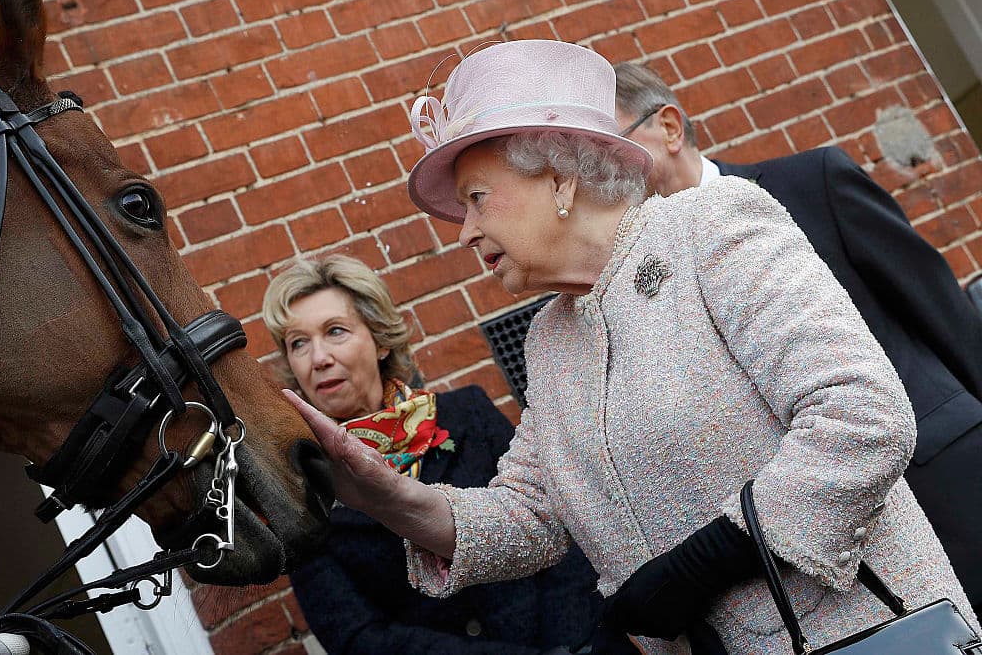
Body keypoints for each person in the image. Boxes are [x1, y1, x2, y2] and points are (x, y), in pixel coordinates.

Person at [284, 40, 978, 654]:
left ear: (559, 179)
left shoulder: (709, 227)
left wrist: (713, 557)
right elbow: (530, 518)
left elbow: (863, 416)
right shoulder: (551, 339)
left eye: (475, 197)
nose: (464, 231)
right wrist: (386, 497)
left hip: (863, 635)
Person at [613, 60, 982, 612]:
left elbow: (941, 311)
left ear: (668, 127)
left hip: (948, 481)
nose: (603, 175)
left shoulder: (812, 182)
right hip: (842, 570)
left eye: (612, 150)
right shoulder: (639, 288)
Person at [263, 254, 633, 654]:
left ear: (381, 340)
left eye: (335, 331)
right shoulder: (303, 492)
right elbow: (356, 638)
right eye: (298, 343)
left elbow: (561, 525)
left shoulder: (467, 414)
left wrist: (576, 643)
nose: (318, 358)